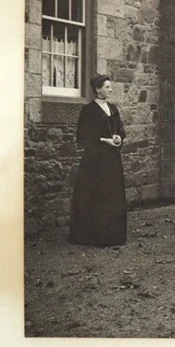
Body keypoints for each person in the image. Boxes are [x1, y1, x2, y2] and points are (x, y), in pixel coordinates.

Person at [68, 74, 127, 248]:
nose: (110, 89)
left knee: (112, 193)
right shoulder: (89, 111)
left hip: (112, 159)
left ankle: (113, 234)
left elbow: (120, 129)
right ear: (97, 89)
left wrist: (118, 138)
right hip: (94, 161)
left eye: (110, 86)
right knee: (96, 194)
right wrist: (104, 140)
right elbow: (83, 136)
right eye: (107, 87)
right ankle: (94, 236)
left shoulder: (113, 108)